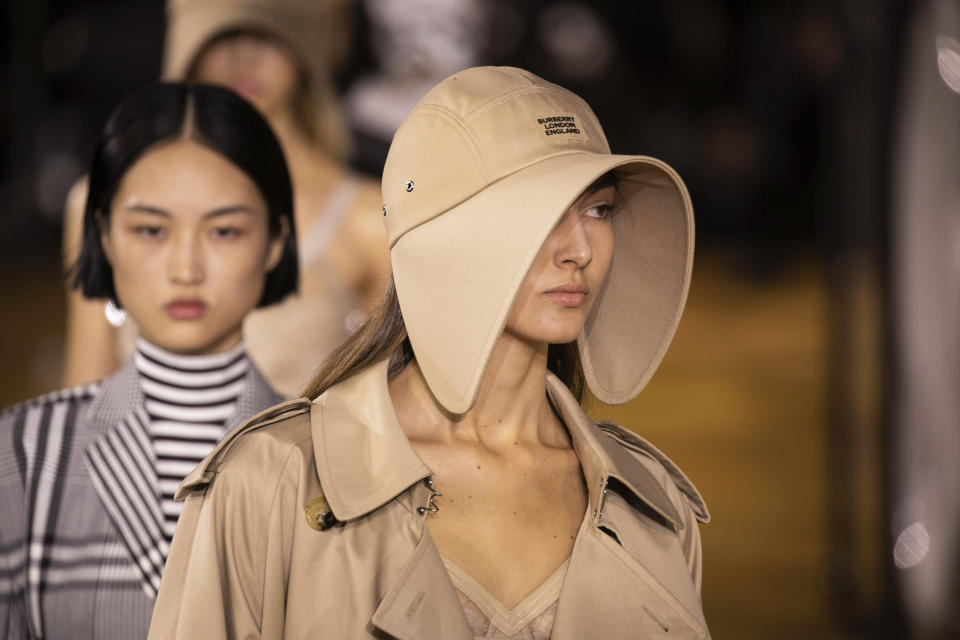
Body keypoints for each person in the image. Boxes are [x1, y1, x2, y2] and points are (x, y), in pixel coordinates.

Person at [150, 66, 711, 639]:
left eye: (598, 210)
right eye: (539, 211)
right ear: (438, 232)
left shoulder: (654, 507)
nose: (580, 251)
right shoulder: (270, 484)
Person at [0, 82, 298, 639]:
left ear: (275, 241)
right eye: (152, 230)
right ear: (103, 236)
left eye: (225, 230)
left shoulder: (330, 460)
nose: (186, 267)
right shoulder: (18, 455)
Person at [63, 0, 390, 397]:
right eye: (222, 36)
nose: (243, 57)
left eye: (267, 35)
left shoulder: (371, 220)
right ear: (188, 46)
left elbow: (386, 421)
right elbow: (84, 400)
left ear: (306, 43)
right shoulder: (101, 203)